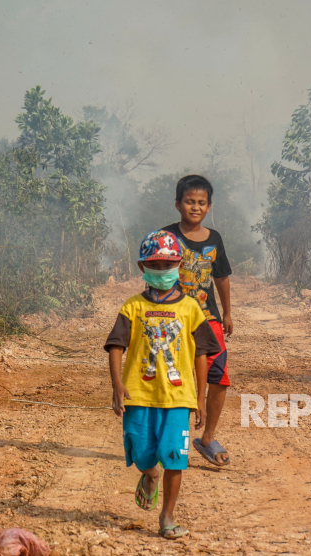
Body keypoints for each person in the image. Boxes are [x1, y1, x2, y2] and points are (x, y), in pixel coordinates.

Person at [105, 230, 221, 540]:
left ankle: (167, 517)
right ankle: (149, 474)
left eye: (168, 265)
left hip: (178, 398)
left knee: (174, 456)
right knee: (142, 454)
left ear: (179, 265)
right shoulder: (132, 307)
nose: (162, 272)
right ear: (142, 267)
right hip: (138, 395)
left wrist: (199, 398)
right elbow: (116, 345)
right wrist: (117, 384)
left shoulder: (191, 309)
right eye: (155, 265)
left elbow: (202, 354)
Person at [162, 175, 233, 466]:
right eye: (189, 201)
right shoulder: (166, 237)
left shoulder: (215, 238)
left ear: (209, 207)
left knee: (220, 378)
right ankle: (167, 441)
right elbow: (155, 272)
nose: (195, 207)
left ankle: (207, 437)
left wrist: (227, 313)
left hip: (208, 320)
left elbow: (221, 277)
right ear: (178, 204)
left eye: (201, 203)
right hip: (172, 319)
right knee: (171, 380)